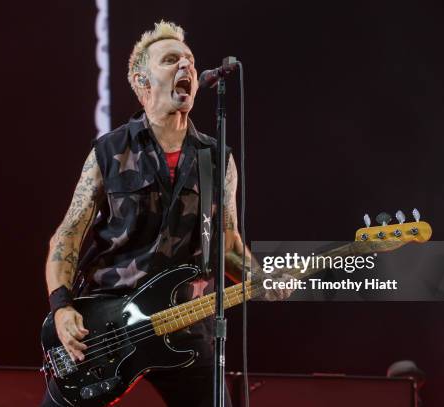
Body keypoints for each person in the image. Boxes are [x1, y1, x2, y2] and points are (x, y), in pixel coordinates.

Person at [41, 20, 276, 407]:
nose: (186, 67)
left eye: (190, 62)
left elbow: (228, 245)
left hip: (184, 321)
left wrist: (261, 277)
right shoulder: (109, 152)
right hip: (107, 324)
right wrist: (63, 307)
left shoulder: (217, 160)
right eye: (171, 60)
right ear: (142, 81)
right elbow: (67, 236)